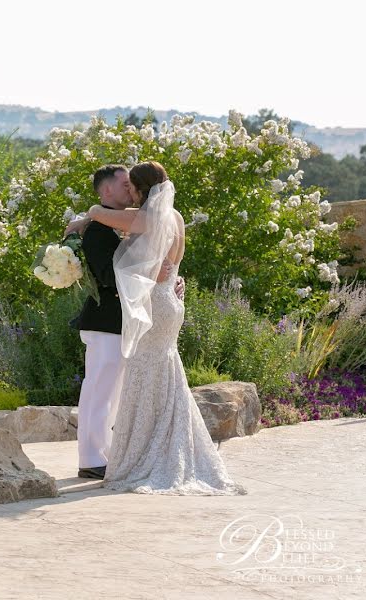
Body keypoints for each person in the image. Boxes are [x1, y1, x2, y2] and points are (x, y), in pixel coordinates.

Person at [85, 161, 246, 495]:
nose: (127, 192)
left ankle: (148, 454)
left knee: (145, 376)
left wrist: (86, 214)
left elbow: (104, 217)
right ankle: (170, 446)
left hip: (156, 305)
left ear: (142, 190)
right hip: (171, 304)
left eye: (131, 187)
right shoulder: (175, 217)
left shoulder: (146, 218)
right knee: (167, 377)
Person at [65, 165, 183, 480]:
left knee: (113, 394)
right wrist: (153, 275)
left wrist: (168, 277)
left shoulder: (123, 222)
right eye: (123, 183)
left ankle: (105, 455)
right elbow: (107, 275)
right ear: (107, 191)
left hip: (125, 321)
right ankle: (91, 458)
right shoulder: (98, 229)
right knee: (99, 391)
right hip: (105, 320)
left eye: (132, 185)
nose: (128, 189)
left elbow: (148, 254)